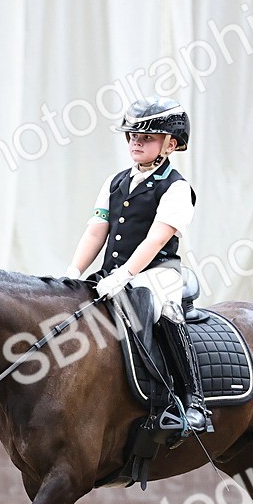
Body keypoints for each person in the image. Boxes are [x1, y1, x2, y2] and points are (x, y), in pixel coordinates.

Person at [63, 97, 211, 434]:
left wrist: (126, 275)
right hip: (113, 273)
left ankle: (192, 401)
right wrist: (73, 272)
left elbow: (155, 240)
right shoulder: (115, 182)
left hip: (159, 273)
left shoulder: (177, 188)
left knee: (160, 308)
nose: (136, 143)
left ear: (170, 144)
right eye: (132, 136)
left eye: (146, 138)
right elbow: (96, 230)